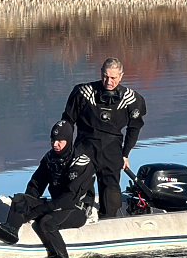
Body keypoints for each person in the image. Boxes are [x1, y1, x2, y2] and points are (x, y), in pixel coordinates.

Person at [0, 120, 95, 258]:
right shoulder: (49, 158)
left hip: (75, 209)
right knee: (20, 198)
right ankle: (11, 230)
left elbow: (69, 199)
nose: (55, 144)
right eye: (53, 140)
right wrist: (26, 206)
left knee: (46, 223)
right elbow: (36, 185)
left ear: (68, 140)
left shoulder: (81, 163)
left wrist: (37, 211)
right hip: (56, 204)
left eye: (60, 141)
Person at [62, 58, 146, 218]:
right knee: (80, 183)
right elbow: (67, 121)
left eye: (113, 78)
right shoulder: (83, 93)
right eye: (105, 76)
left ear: (121, 76)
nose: (109, 81)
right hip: (85, 145)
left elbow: (134, 128)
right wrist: (66, 148)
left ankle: (109, 219)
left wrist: (125, 153)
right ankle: (80, 216)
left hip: (112, 148)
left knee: (111, 191)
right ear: (101, 73)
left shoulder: (131, 99)